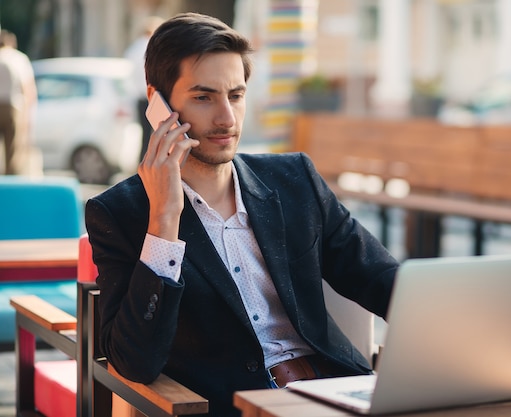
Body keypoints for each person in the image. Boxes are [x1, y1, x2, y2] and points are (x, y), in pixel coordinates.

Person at [85, 12, 398, 417]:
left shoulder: (295, 180)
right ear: (158, 103)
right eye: (203, 97)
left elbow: (380, 279)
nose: (226, 119)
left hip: (334, 391)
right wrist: (164, 220)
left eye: (235, 95)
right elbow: (134, 361)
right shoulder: (121, 212)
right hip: (233, 406)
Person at [124, 15, 165, 162]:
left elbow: (128, 76)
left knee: (145, 136)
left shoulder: (133, 48)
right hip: (156, 98)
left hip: (141, 98)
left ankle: (144, 164)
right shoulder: (154, 48)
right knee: (162, 134)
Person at [0, 29, 37, 174]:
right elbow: (27, 87)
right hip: (12, 105)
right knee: (13, 150)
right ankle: (10, 182)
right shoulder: (18, 58)